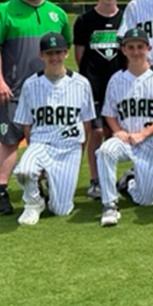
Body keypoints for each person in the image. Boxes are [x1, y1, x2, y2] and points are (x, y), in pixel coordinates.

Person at [0, 0, 72, 215]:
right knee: (9, 141)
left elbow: (65, 48)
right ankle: (1, 191)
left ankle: (41, 187)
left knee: (46, 142)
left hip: (49, 93)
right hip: (14, 90)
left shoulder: (57, 14)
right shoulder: (4, 11)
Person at [96, 28, 153, 227]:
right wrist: (117, 131)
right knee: (105, 151)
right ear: (123, 50)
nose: (136, 51)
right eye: (131, 47)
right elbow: (109, 113)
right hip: (125, 140)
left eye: (140, 47)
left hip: (150, 141)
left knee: (145, 200)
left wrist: (144, 133)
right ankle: (110, 205)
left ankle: (129, 182)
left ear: (148, 48)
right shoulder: (116, 79)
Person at [13, 33, 96, 225]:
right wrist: (32, 152)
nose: (54, 57)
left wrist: (80, 151)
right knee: (24, 170)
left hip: (69, 147)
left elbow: (86, 123)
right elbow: (26, 122)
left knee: (61, 210)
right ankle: (33, 203)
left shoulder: (81, 83)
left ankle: (52, 183)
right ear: (41, 55)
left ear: (66, 53)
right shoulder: (31, 84)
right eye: (49, 53)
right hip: (42, 142)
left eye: (58, 52)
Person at [73, 0, 126, 200]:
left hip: (119, 84)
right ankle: (95, 179)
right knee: (96, 131)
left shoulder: (125, 19)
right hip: (94, 84)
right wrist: (89, 78)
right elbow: (79, 55)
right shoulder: (85, 21)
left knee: (114, 133)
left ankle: (109, 177)